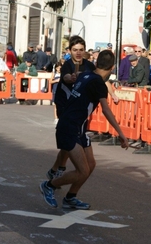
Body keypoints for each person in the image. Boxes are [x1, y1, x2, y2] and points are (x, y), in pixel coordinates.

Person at [40, 50, 129, 209]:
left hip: (78, 128)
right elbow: (106, 110)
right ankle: (49, 185)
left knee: (90, 165)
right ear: (113, 67)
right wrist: (121, 134)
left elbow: (79, 77)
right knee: (82, 170)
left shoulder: (86, 75)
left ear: (96, 63)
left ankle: (70, 197)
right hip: (69, 127)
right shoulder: (98, 83)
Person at [46, 35, 119, 186]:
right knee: (70, 141)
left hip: (80, 111)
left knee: (82, 156)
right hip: (66, 106)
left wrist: (112, 93)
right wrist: (71, 78)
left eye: (81, 50)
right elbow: (66, 77)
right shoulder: (67, 65)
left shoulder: (89, 67)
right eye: (75, 50)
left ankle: (64, 183)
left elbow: (100, 79)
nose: (78, 53)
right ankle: (57, 170)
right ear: (70, 51)